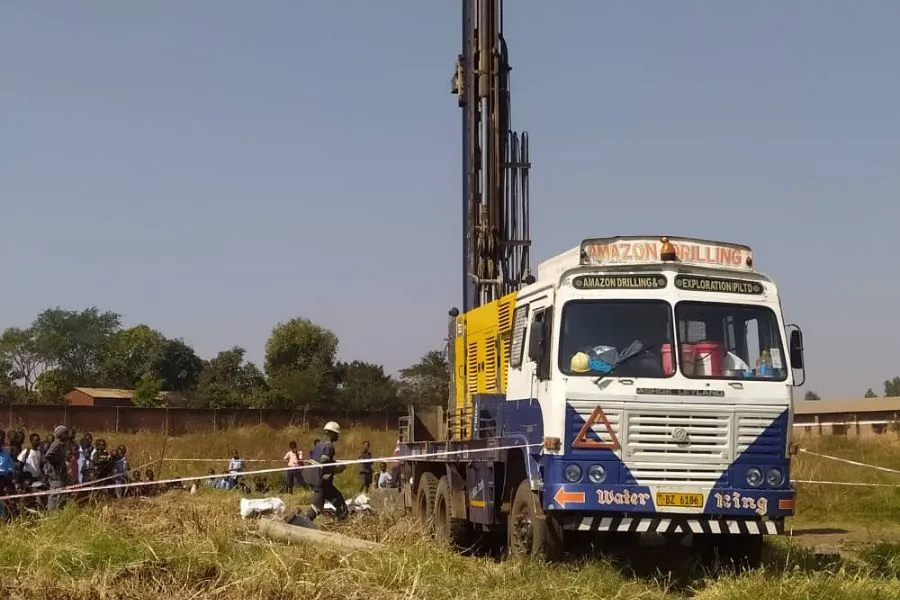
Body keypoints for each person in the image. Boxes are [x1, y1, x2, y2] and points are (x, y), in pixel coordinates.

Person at [304, 421, 348, 523]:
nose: (338, 436)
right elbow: (324, 462)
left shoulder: (318, 444)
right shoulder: (329, 446)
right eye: (336, 434)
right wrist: (337, 468)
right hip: (322, 481)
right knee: (336, 501)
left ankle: (305, 521)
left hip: (314, 479)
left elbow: (314, 459)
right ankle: (305, 522)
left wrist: (334, 462)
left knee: (320, 504)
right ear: (331, 433)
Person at [44, 426, 73, 511]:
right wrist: (56, 463)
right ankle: (52, 515)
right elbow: (48, 455)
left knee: (61, 498)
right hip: (56, 477)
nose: (68, 435)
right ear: (61, 434)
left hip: (61, 476)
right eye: (66, 433)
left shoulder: (62, 445)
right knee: (55, 498)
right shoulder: (56, 444)